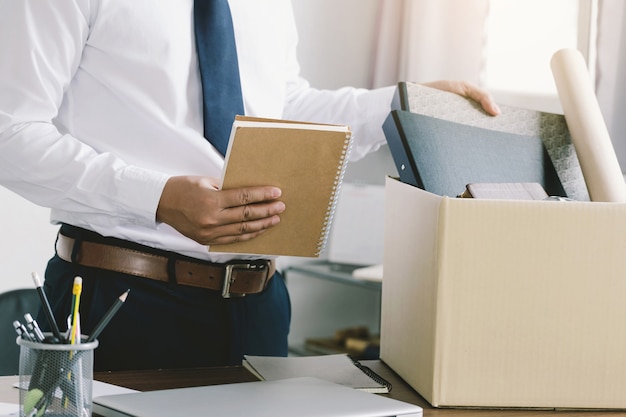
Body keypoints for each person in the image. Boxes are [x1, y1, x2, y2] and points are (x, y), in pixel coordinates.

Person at [0, 1, 499, 371]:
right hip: (122, 303)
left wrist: (400, 102)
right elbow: (10, 131)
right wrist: (156, 197)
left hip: (260, 306)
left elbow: (282, 108)